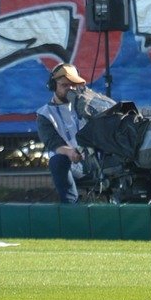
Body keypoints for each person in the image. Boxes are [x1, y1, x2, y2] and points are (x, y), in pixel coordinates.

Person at [35, 64, 113, 204]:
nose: (69, 89)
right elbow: (53, 143)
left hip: (95, 160)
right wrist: (70, 153)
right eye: (64, 85)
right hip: (70, 163)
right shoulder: (44, 114)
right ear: (53, 86)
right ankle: (72, 207)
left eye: (73, 85)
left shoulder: (85, 105)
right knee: (57, 160)